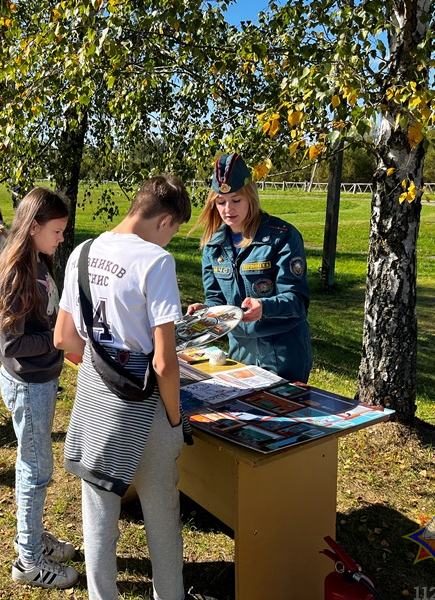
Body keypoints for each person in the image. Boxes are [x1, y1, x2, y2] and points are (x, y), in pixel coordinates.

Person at [55, 174, 202, 600]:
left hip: (95, 400)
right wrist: (174, 420)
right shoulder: (156, 262)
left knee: (98, 513)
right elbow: (164, 362)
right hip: (147, 405)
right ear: (166, 220)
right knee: (162, 515)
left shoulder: (81, 252)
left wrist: (106, 362)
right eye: (173, 231)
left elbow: (64, 338)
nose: (169, 240)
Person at [0, 188, 79, 590]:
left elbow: (47, 316)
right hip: (29, 386)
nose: (61, 238)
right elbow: (11, 345)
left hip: (40, 380)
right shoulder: (17, 273)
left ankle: (33, 536)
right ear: (33, 226)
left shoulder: (38, 261)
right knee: (35, 470)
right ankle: (28, 559)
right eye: (56, 231)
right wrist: (58, 340)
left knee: (36, 466)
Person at [187, 152, 312, 383]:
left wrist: (264, 307)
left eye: (236, 200)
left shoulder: (282, 237)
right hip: (240, 350)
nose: (228, 209)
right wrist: (205, 311)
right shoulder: (213, 245)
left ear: (250, 197)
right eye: (221, 202)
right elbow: (217, 299)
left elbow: (297, 301)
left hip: (283, 350)